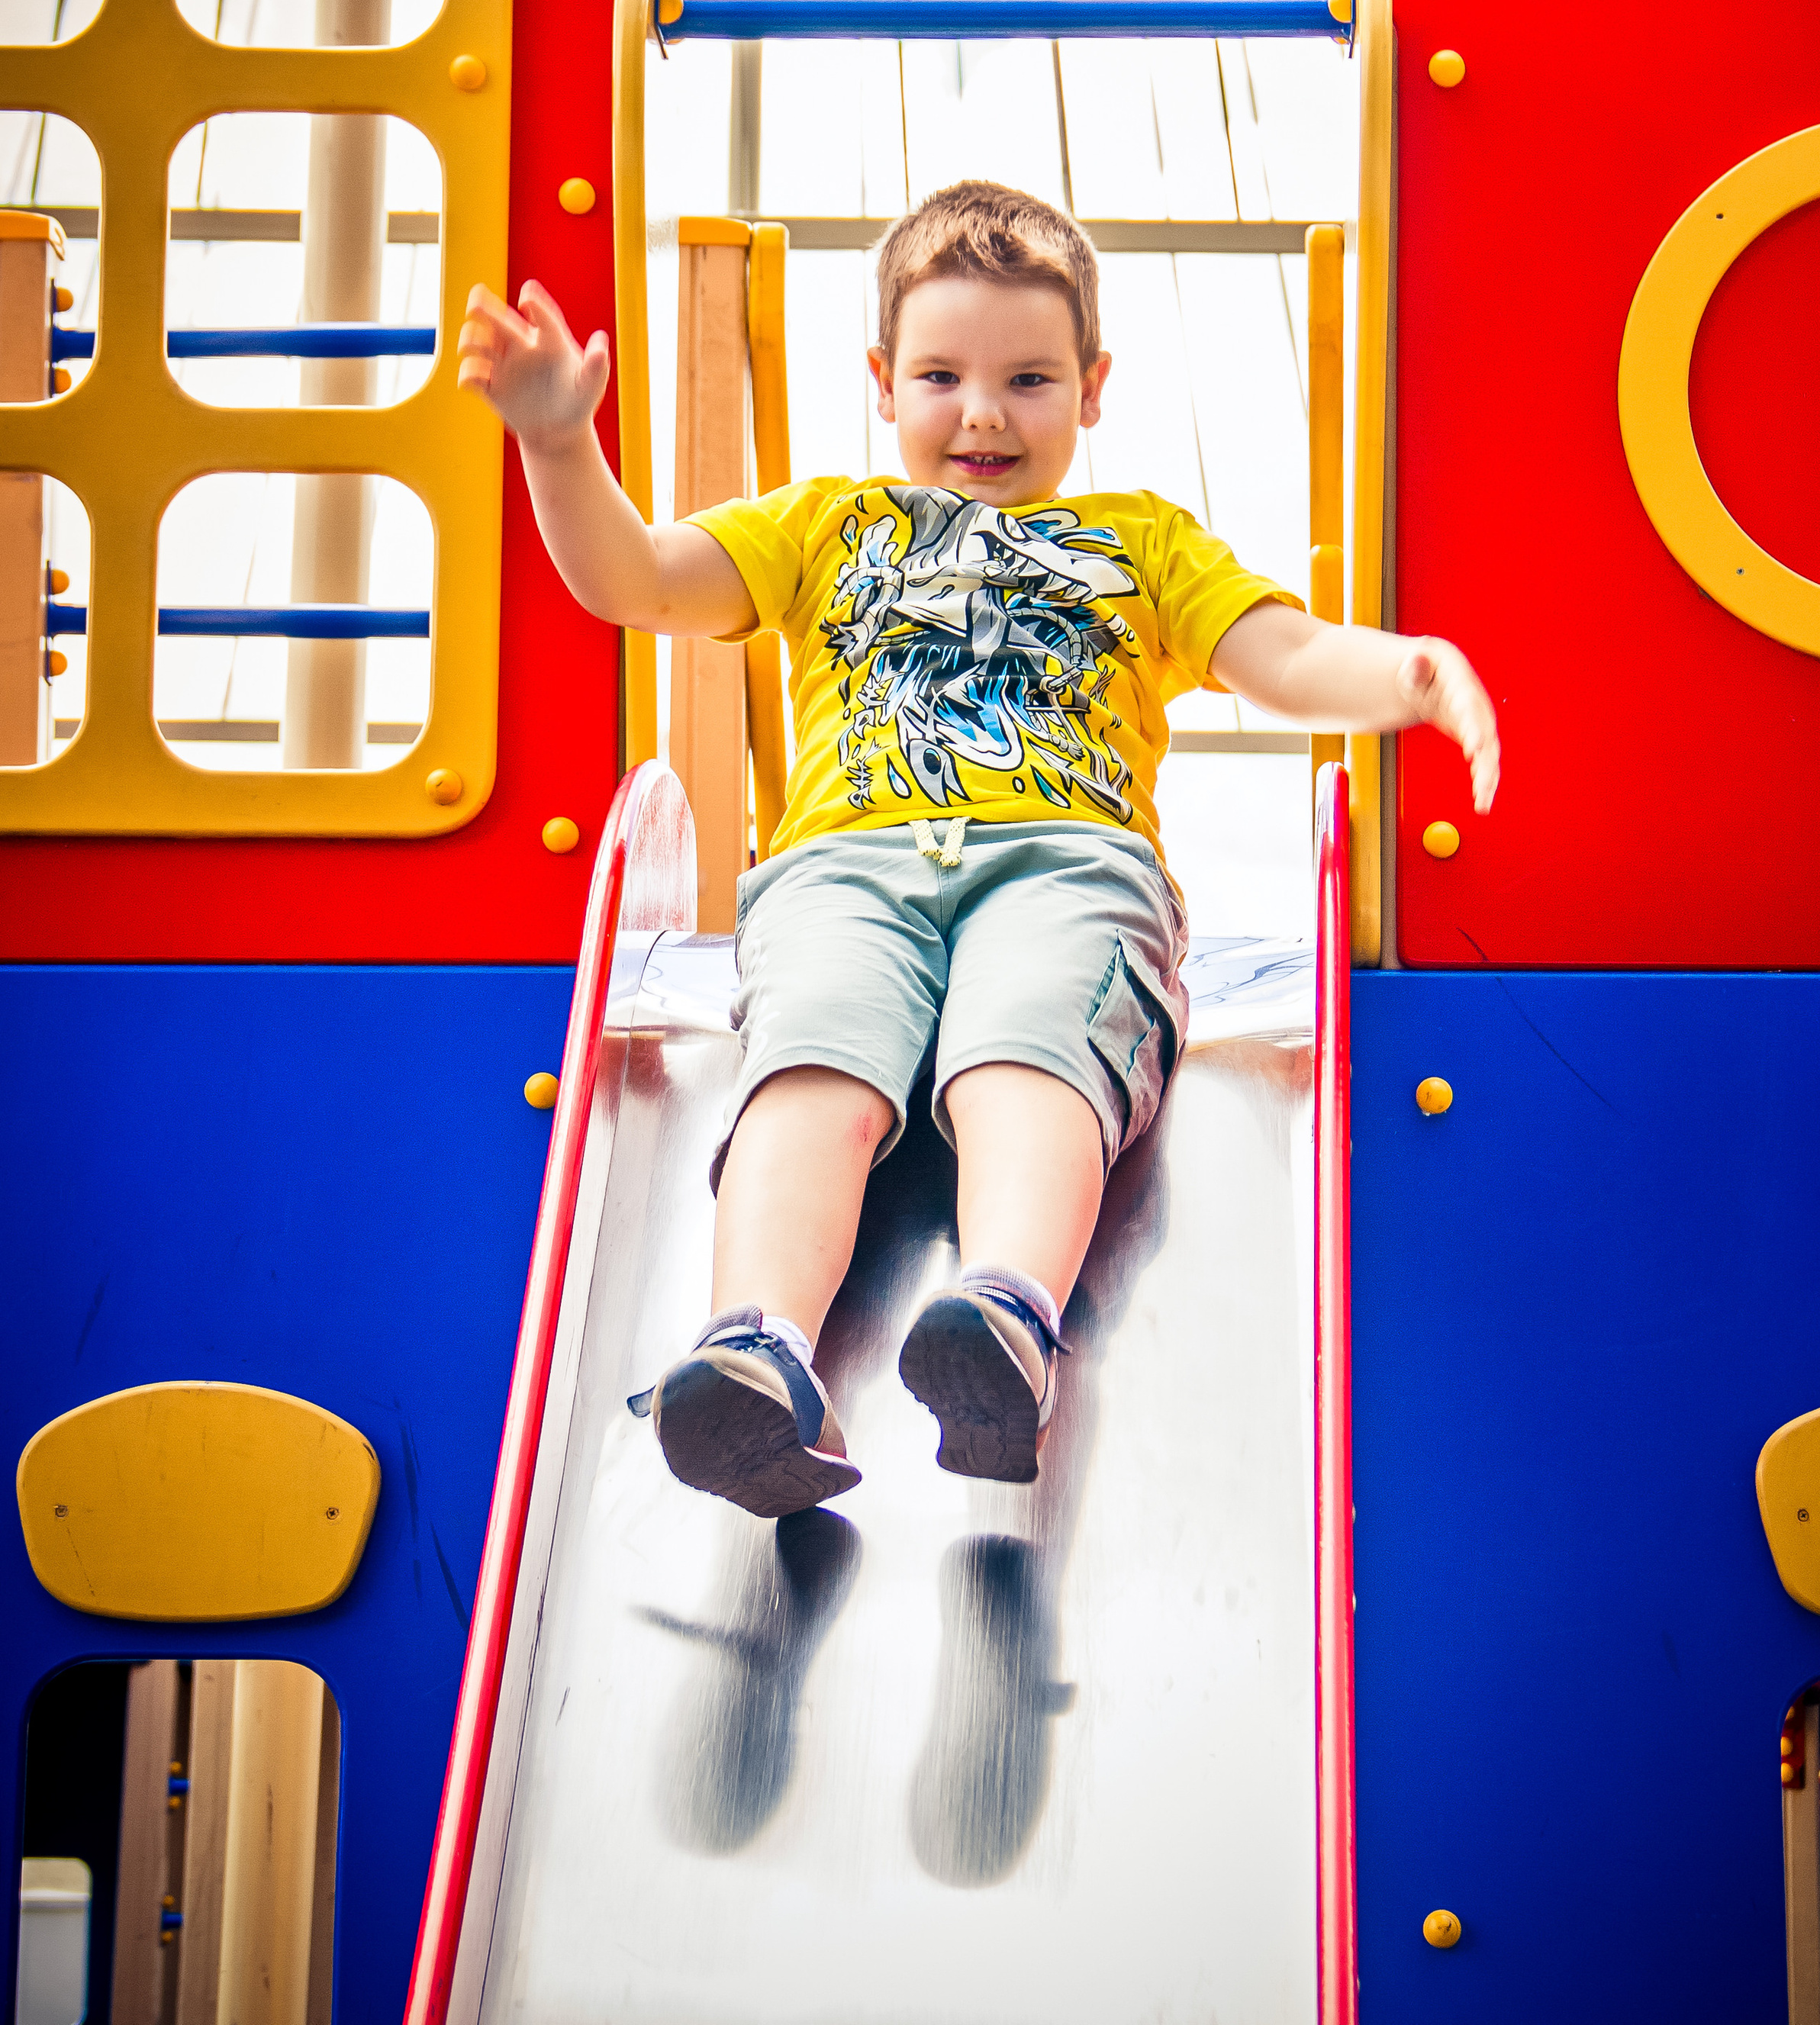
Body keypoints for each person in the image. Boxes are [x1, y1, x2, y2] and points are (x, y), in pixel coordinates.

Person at [459, 180, 1499, 1518]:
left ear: (1094, 386)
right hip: (847, 862)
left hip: (1068, 860)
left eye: (1030, 377)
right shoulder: (824, 527)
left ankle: (1001, 1314)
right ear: (884, 380)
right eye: (942, 375)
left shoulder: (1143, 546)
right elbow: (642, 581)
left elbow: (1287, 660)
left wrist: (1407, 672)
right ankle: (753, 1346)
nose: (985, 412)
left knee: (1034, 1044)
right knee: (813, 1062)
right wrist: (558, 445)